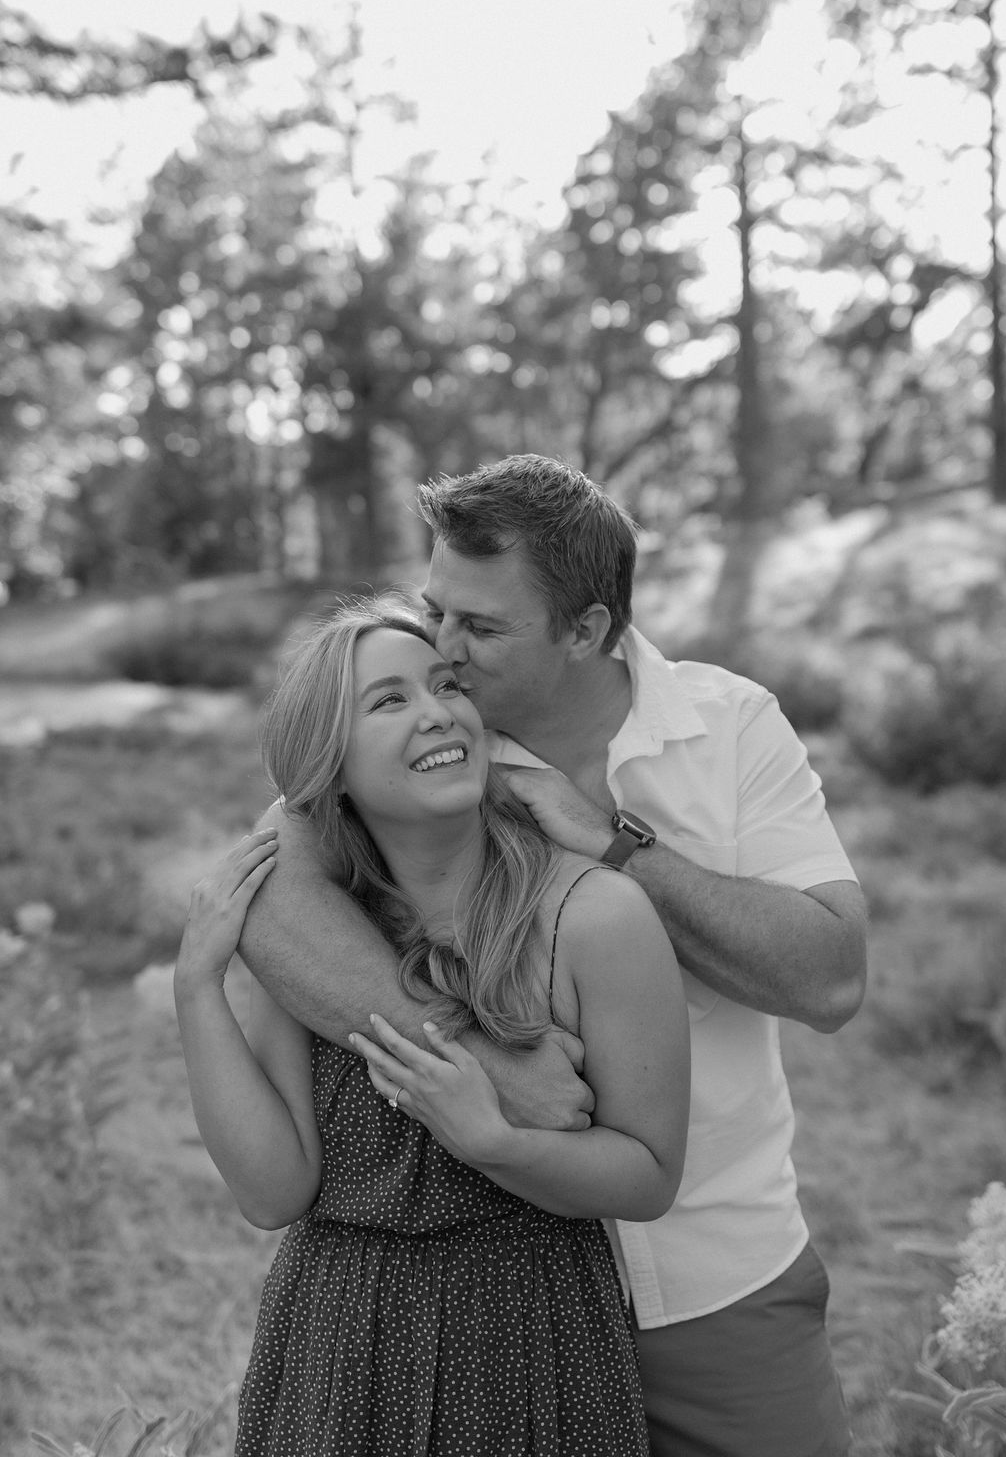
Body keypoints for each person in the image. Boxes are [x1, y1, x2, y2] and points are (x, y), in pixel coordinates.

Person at [239, 454, 868, 1457]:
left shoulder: (729, 723)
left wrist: (614, 844)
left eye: (481, 628)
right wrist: (490, 1066)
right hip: (495, 1299)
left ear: (588, 630)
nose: (440, 645)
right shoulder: (433, 736)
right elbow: (264, 895)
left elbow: (831, 976)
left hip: (715, 1276)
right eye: (435, 607)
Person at [175, 599, 690, 1456]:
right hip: (335, 1344)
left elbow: (648, 1177)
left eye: (447, 685)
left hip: (531, 1338)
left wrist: (499, 1143)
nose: (438, 711)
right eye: (388, 701)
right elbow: (272, 1193)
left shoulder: (595, 919)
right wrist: (199, 984)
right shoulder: (311, 944)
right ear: (329, 770)